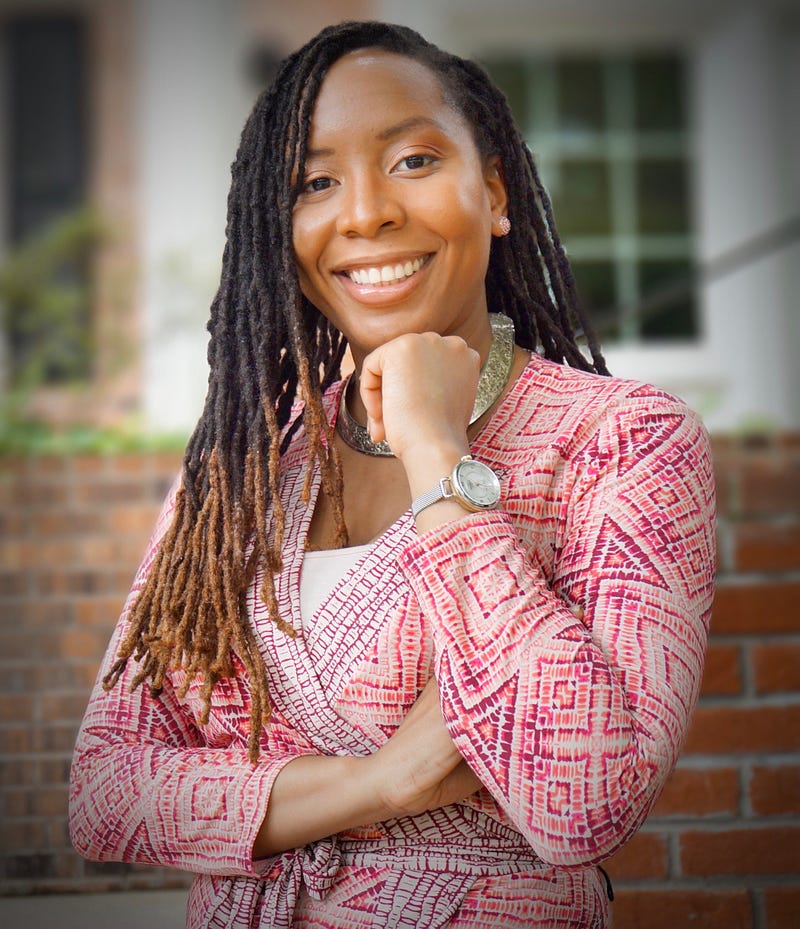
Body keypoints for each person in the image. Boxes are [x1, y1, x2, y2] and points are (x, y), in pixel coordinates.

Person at [69, 20, 716, 929]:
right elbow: (106, 792)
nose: (365, 211)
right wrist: (387, 779)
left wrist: (434, 450)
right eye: (316, 181)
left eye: (412, 160)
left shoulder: (624, 440)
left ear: (492, 190)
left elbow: (583, 797)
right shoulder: (246, 470)